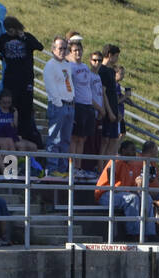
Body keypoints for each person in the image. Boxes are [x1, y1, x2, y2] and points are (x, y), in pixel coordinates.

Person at [0, 16, 43, 147]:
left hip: (25, 79)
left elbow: (39, 47)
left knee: (25, 108)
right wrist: (2, 57)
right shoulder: (4, 39)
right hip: (11, 78)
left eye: (12, 30)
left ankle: (25, 134)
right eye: (8, 30)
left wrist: (23, 37)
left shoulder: (26, 37)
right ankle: (12, 132)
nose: (9, 33)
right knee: (12, 105)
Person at [42, 35, 73, 171]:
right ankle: (52, 168)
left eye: (65, 48)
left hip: (70, 104)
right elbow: (50, 87)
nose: (62, 51)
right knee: (55, 139)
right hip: (58, 105)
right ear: (53, 49)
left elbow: (69, 83)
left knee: (65, 140)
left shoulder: (67, 64)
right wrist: (59, 103)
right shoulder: (50, 65)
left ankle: (62, 169)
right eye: (60, 48)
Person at [64, 34, 94, 178]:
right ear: (71, 52)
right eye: (75, 50)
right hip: (77, 104)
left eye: (79, 50)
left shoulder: (85, 67)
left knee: (82, 138)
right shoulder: (69, 66)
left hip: (88, 104)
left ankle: (78, 166)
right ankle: (71, 166)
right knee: (74, 137)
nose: (78, 53)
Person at [96, 44, 121, 156]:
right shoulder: (103, 70)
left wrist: (117, 111)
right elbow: (103, 92)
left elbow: (113, 93)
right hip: (107, 110)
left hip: (114, 109)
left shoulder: (111, 71)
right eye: (116, 56)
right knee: (105, 141)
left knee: (114, 140)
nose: (117, 59)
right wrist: (109, 111)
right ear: (110, 55)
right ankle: (102, 170)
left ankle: (109, 169)